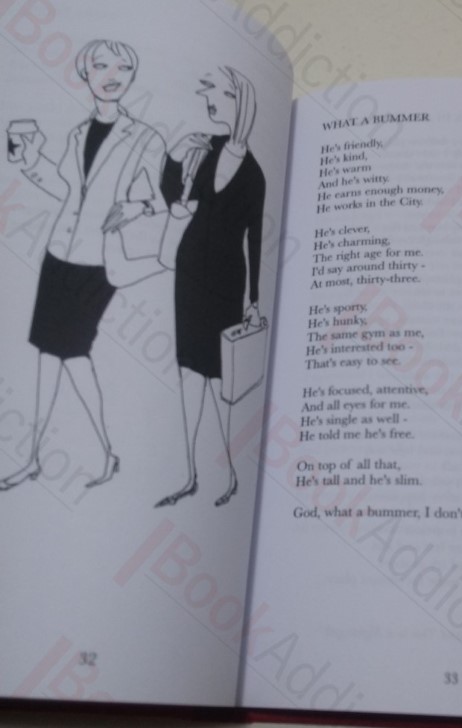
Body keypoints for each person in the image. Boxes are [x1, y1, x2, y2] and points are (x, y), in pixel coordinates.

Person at [0, 39, 166, 493]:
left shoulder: (146, 138)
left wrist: (136, 206)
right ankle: (39, 457)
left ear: (133, 75)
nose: (113, 74)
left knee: (72, 352)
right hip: (59, 255)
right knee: (49, 354)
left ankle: (102, 453)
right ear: (84, 73)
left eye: (123, 66)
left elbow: (166, 197)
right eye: (101, 65)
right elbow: (68, 190)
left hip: (97, 261)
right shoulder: (77, 134)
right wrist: (29, 159)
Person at [153, 66, 266, 507]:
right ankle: (190, 474)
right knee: (188, 371)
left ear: (239, 101)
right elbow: (171, 197)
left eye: (217, 95)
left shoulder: (255, 175)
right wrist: (176, 154)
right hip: (189, 271)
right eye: (207, 96)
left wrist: (253, 299)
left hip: (225, 280)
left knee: (220, 378)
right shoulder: (208, 146)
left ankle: (229, 474)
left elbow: (255, 239)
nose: (209, 103)